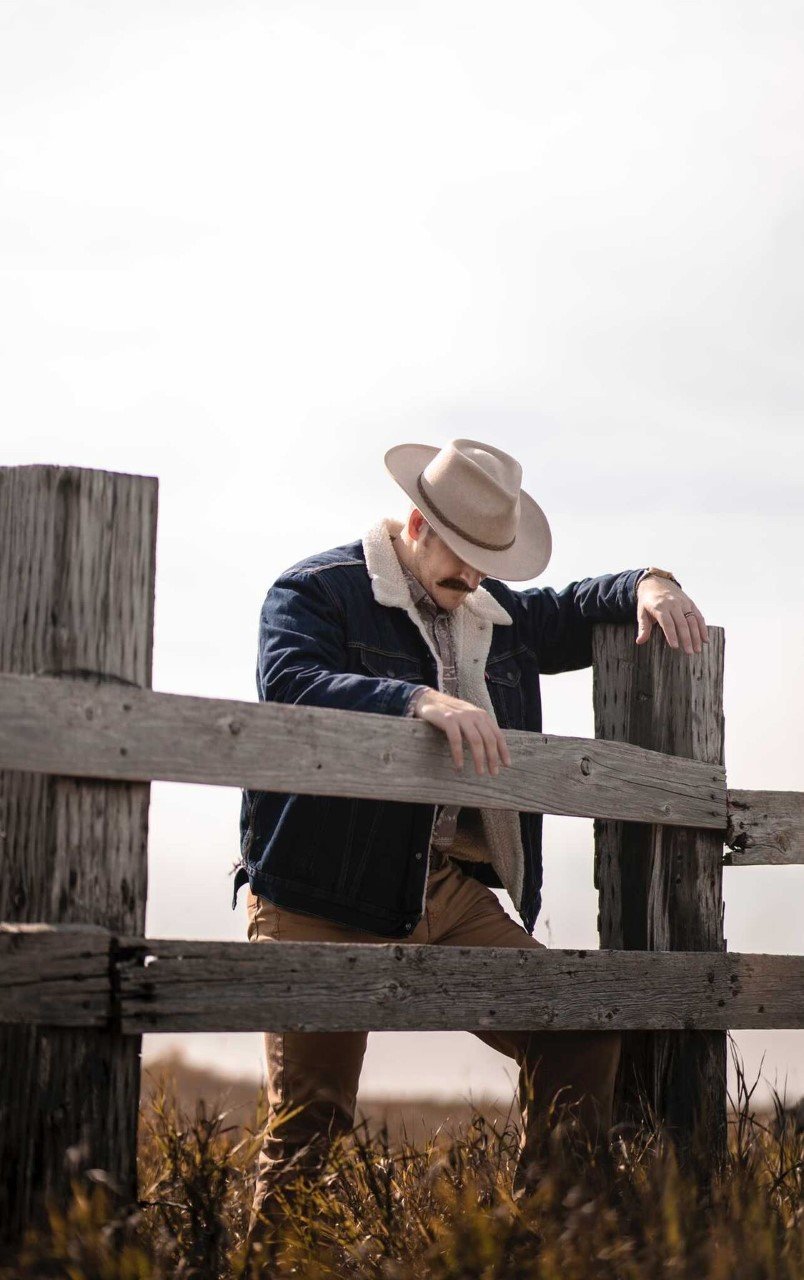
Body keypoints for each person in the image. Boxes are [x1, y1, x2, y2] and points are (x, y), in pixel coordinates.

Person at [233, 438, 708, 1244]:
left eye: (491, 566)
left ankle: (543, 1234)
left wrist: (652, 581)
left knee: (578, 1025)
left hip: (444, 892)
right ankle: (266, 1262)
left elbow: (581, 601)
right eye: (464, 564)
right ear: (416, 525)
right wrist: (413, 698)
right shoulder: (315, 591)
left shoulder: (492, 609)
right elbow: (289, 684)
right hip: (319, 892)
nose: (476, 583)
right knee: (312, 1121)